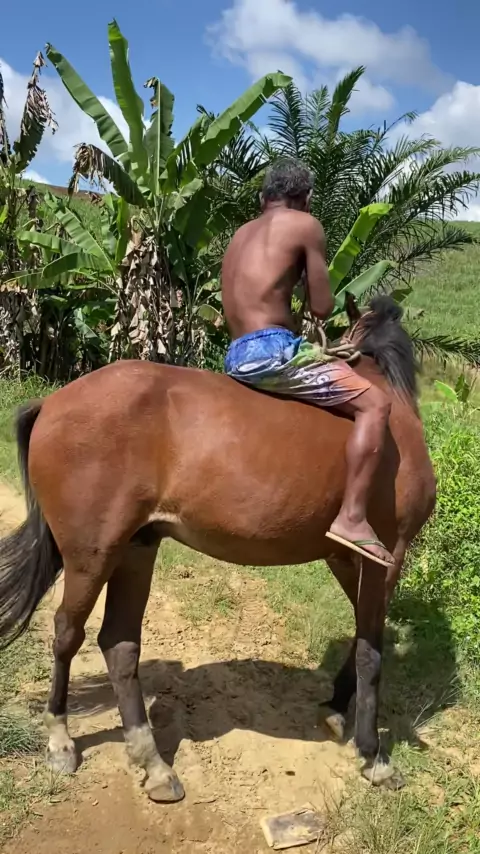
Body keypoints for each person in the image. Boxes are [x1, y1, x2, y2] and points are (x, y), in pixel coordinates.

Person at [221, 157, 394, 568]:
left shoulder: (241, 234)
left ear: (264, 198)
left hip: (236, 353)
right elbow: (322, 306)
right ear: (307, 198)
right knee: (376, 404)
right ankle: (352, 518)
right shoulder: (305, 225)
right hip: (274, 350)